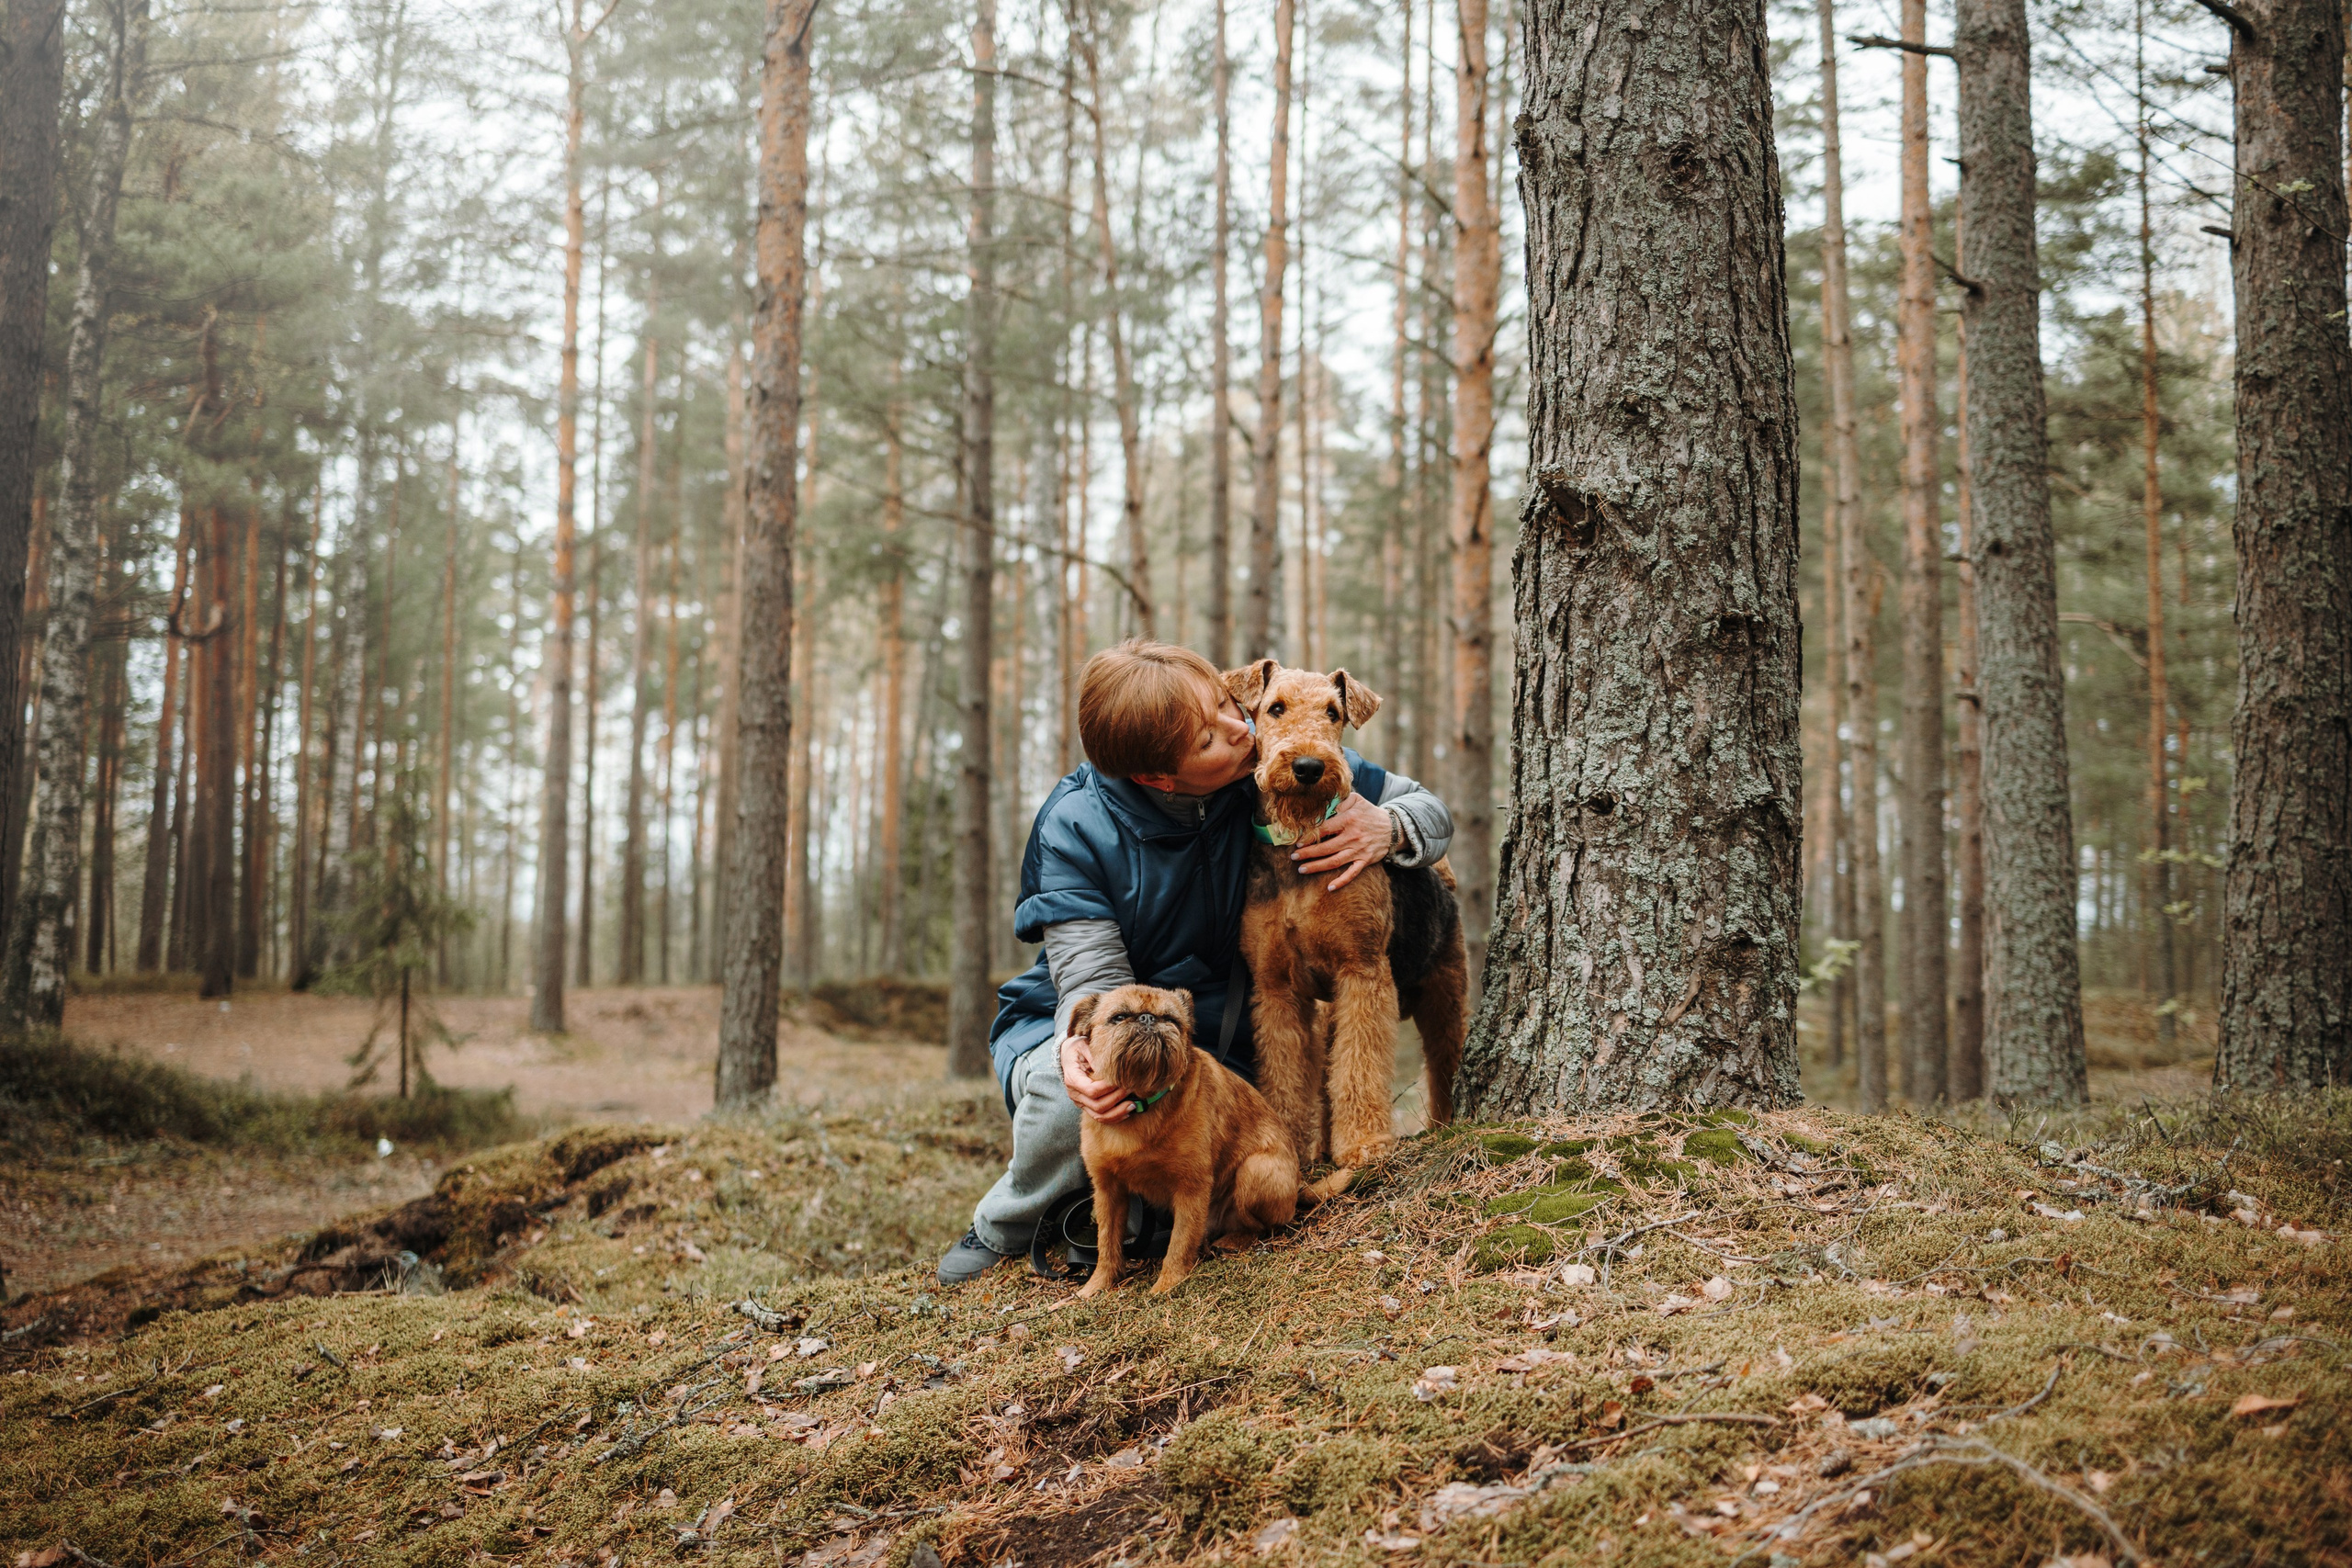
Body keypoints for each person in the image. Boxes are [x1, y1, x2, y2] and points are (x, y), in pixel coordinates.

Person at [937, 638, 1453, 1284]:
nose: (1239, 729)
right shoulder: (1073, 824)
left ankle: (1151, 1217)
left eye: (1224, 705)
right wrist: (1080, 1044)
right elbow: (1093, 978)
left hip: (1217, 1041)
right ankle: (1005, 1224)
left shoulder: (1266, 761)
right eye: (1209, 736)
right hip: (1087, 1020)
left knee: (1220, 1141)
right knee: (1089, 1096)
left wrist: (1392, 827)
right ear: (1159, 775)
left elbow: (1429, 807)